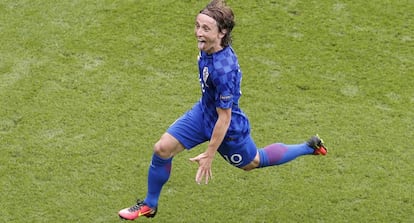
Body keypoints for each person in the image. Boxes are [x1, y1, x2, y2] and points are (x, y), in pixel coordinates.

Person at [118, 0, 328, 220]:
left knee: (253, 162)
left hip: (227, 129)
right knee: (162, 149)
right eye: (198, 26)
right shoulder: (209, 47)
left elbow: (224, 118)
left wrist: (209, 154)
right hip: (204, 113)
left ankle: (308, 147)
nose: (199, 32)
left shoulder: (223, 70)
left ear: (222, 32)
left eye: (206, 29)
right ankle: (149, 205)